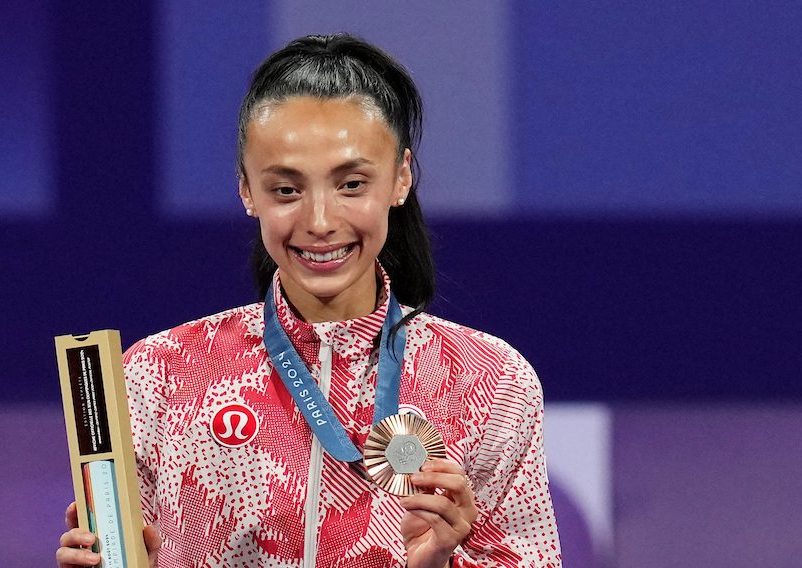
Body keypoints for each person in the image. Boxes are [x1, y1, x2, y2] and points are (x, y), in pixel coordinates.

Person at [57, 34, 560, 568]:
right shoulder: (158, 376)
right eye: (286, 190)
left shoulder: (490, 381)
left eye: (351, 184)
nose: (320, 222)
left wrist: (435, 563)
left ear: (401, 179)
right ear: (247, 192)